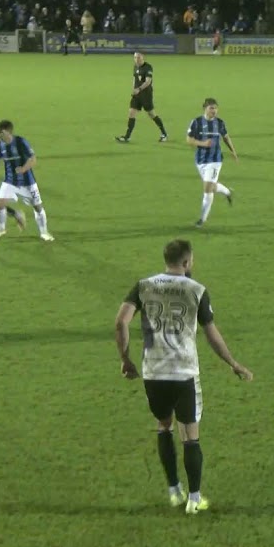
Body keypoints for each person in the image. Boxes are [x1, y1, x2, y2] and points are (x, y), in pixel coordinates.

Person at [114, 238, 253, 515]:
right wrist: (232, 362)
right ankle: (194, 498)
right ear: (187, 262)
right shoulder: (196, 290)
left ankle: (173, 491)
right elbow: (211, 333)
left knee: (163, 426)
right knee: (190, 435)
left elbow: (121, 322)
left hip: (153, 373)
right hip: (183, 372)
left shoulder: (143, 285)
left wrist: (126, 359)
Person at [0, 119, 53, 242]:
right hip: (10, 181)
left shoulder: (21, 142)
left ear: (7, 132)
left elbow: (33, 159)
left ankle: (44, 232)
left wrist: (23, 169)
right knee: (0, 203)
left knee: (37, 207)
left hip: (27, 181)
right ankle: (0, 229)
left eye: (0, 132)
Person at [187, 98, 237, 227]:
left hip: (215, 160)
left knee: (207, 189)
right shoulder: (196, 122)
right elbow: (189, 140)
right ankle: (227, 192)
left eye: (215, 108)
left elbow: (226, 137)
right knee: (211, 186)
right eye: (211, 108)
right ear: (205, 108)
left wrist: (233, 151)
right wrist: (203, 143)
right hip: (200, 160)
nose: (214, 111)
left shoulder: (220, 123)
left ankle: (202, 219)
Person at [116, 52, 169, 143]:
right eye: (135, 57)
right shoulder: (135, 66)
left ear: (143, 57)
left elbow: (148, 81)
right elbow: (134, 78)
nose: (137, 59)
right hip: (137, 95)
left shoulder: (148, 67)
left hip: (146, 95)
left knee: (151, 114)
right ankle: (127, 136)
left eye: (138, 57)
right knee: (131, 113)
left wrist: (139, 89)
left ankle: (164, 133)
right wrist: (133, 89)